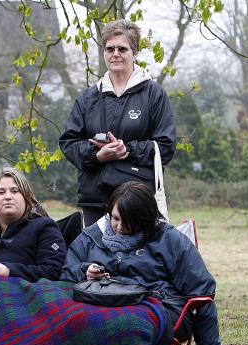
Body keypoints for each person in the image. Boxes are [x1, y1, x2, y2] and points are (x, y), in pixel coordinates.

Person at [60, 181, 221, 345]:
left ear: (145, 219)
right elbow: (65, 275)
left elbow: (203, 294)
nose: (119, 228)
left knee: (126, 327)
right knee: (69, 323)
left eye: (128, 222)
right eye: (115, 218)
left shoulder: (169, 239)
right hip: (99, 304)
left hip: (158, 307)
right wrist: (84, 272)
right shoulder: (90, 237)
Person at [59, 19, 176, 227]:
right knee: (97, 258)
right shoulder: (88, 98)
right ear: (104, 52)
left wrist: (126, 150)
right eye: (110, 48)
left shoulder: (154, 94)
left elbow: (165, 146)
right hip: (95, 199)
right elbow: (69, 142)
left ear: (135, 52)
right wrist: (96, 155)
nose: (115, 54)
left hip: (136, 201)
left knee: (135, 259)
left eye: (122, 49)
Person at [0, 167, 67, 282]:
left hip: (20, 296)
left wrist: (11, 271)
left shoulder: (44, 227)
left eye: (15, 191)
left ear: (26, 196)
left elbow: (54, 271)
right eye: (1, 192)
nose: (8, 197)